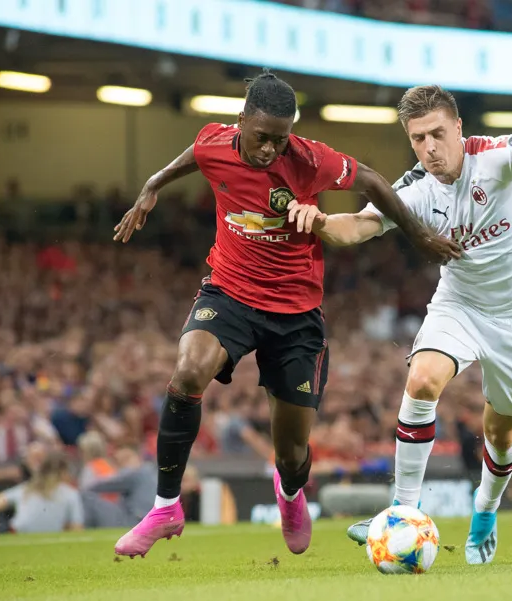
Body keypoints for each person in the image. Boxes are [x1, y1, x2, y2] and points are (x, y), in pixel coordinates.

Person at [289, 82, 512, 564]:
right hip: (461, 304)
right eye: (418, 139)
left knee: (501, 433)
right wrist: (318, 220)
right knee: (421, 380)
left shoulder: (495, 158)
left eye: (437, 134)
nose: (429, 148)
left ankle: (486, 509)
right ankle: (402, 512)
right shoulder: (415, 189)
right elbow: (361, 225)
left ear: (458, 127)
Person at [111, 70, 460, 559]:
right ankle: (166, 507)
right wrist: (152, 185)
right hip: (230, 293)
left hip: (295, 313)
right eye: (261, 137)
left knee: (293, 451)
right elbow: (194, 155)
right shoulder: (215, 142)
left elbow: (373, 181)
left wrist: (418, 234)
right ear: (241, 122)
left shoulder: (310, 158)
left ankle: (291, 490)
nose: (270, 149)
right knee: (188, 370)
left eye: (280, 139)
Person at [0, 452, 84, 534]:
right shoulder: (70, 493)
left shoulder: (28, 488)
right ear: (63, 472)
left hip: (18, 533)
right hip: (52, 534)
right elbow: (77, 527)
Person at [81, 446, 156, 529]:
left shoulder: (134, 473)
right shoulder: (151, 470)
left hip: (139, 519)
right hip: (153, 517)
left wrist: (85, 488)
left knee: (88, 496)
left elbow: (106, 484)